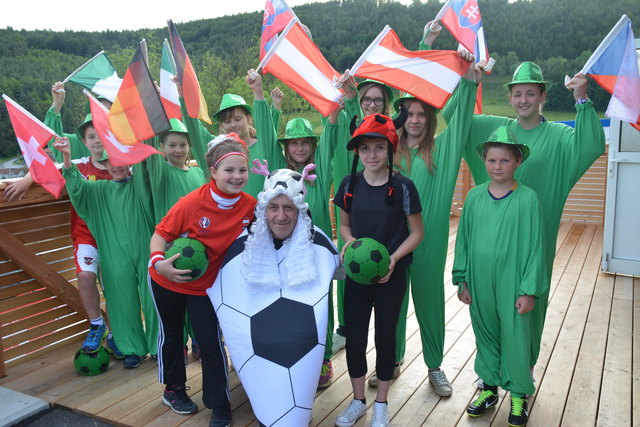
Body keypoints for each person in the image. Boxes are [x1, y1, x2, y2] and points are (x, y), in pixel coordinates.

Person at [442, 62, 605, 370]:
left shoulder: (558, 136)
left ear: (542, 95)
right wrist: (468, 82)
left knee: (527, 309)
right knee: (488, 307)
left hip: (534, 242)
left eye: (531, 93)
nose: (524, 100)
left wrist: (582, 100)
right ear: (510, 97)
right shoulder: (496, 129)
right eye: (518, 94)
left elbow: (591, 145)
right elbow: (453, 116)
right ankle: (489, 375)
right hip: (490, 242)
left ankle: (522, 374)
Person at [368, 51, 482, 395]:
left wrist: (469, 79)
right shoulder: (389, 152)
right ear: (401, 116)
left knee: (430, 304)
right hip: (394, 243)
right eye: (409, 114)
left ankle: (434, 366)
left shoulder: (443, 151)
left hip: (429, 243)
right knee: (394, 305)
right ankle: (392, 360)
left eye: (422, 114)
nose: (415, 120)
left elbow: (461, 116)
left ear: (430, 118)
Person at [207, 166, 340, 427]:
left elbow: (341, 269)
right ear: (264, 211)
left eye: (288, 207)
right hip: (258, 342)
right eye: (274, 208)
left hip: (302, 342)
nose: (281, 216)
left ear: (300, 210)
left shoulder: (319, 243)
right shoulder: (241, 246)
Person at [148, 133, 256, 427]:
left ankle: (220, 405)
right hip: (167, 280)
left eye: (242, 170)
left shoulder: (251, 206)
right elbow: (160, 237)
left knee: (210, 342)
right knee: (171, 336)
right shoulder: (191, 204)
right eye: (229, 170)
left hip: (205, 287)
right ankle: (173, 389)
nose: (236, 176)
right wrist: (160, 264)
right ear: (213, 172)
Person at [246, 68, 341, 388]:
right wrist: (258, 94)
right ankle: (292, 353)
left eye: (305, 142)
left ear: (312, 145)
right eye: (293, 143)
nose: (299, 148)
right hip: (281, 251)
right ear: (286, 147)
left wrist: (333, 111)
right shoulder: (279, 172)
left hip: (315, 250)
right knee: (288, 302)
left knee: (321, 301)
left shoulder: (318, 173)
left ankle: (325, 356)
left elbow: (330, 136)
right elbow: (263, 131)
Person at [333, 111, 424, 427]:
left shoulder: (403, 187)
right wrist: (349, 243)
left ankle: (381, 404)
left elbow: (416, 233)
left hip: (391, 275)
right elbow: (344, 224)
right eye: (365, 148)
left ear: (391, 150)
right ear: (357, 152)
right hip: (357, 276)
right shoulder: (349, 184)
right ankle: (358, 401)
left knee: (386, 338)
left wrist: (394, 259)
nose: (372, 155)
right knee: (355, 338)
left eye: (379, 147)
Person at [453, 126, 547, 427]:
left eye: (504, 161)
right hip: (480, 282)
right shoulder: (475, 197)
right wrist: (462, 278)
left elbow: (535, 247)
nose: (497, 166)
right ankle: (489, 389)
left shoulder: (528, 199)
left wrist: (528, 290)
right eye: (492, 160)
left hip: (514, 282)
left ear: (517, 161)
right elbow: (464, 240)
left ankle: (519, 394)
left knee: (516, 336)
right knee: (486, 334)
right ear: (484, 161)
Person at [55, 140, 157, 369]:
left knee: (152, 299)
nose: (116, 166)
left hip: (145, 250)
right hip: (114, 254)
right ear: (106, 166)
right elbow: (76, 187)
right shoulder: (100, 190)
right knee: (121, 301)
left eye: (120, 161)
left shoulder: (140, 184)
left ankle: (158, 345)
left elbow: (150, 168)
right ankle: (132, 348)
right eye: (110, 162)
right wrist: (67, 157)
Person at [331, 77, 396, 354]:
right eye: (366, 99)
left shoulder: (392, 133)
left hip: (383, 216)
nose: (371, 104)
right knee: (350, 279)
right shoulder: (351, 125)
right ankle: (345, 328)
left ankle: (393, 356)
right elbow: (336, 112)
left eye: (378, 100)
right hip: (353, 206)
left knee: (389, 308)